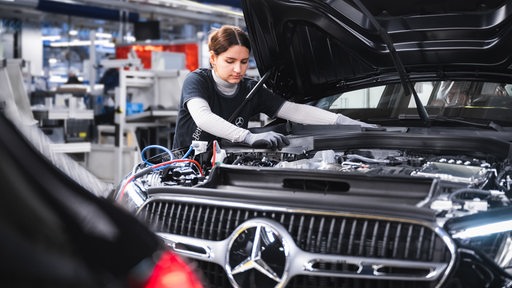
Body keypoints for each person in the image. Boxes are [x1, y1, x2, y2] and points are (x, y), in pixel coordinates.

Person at [172, 25, 376, 150]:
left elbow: (295, 111)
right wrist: (249, 136)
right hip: (187, 165)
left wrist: (344, 121)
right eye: (230, 61)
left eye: (244, 62)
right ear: (213, 58)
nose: (238, 69)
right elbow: (203, 118)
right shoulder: (198, 81)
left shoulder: (251, 89)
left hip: (226, 163)